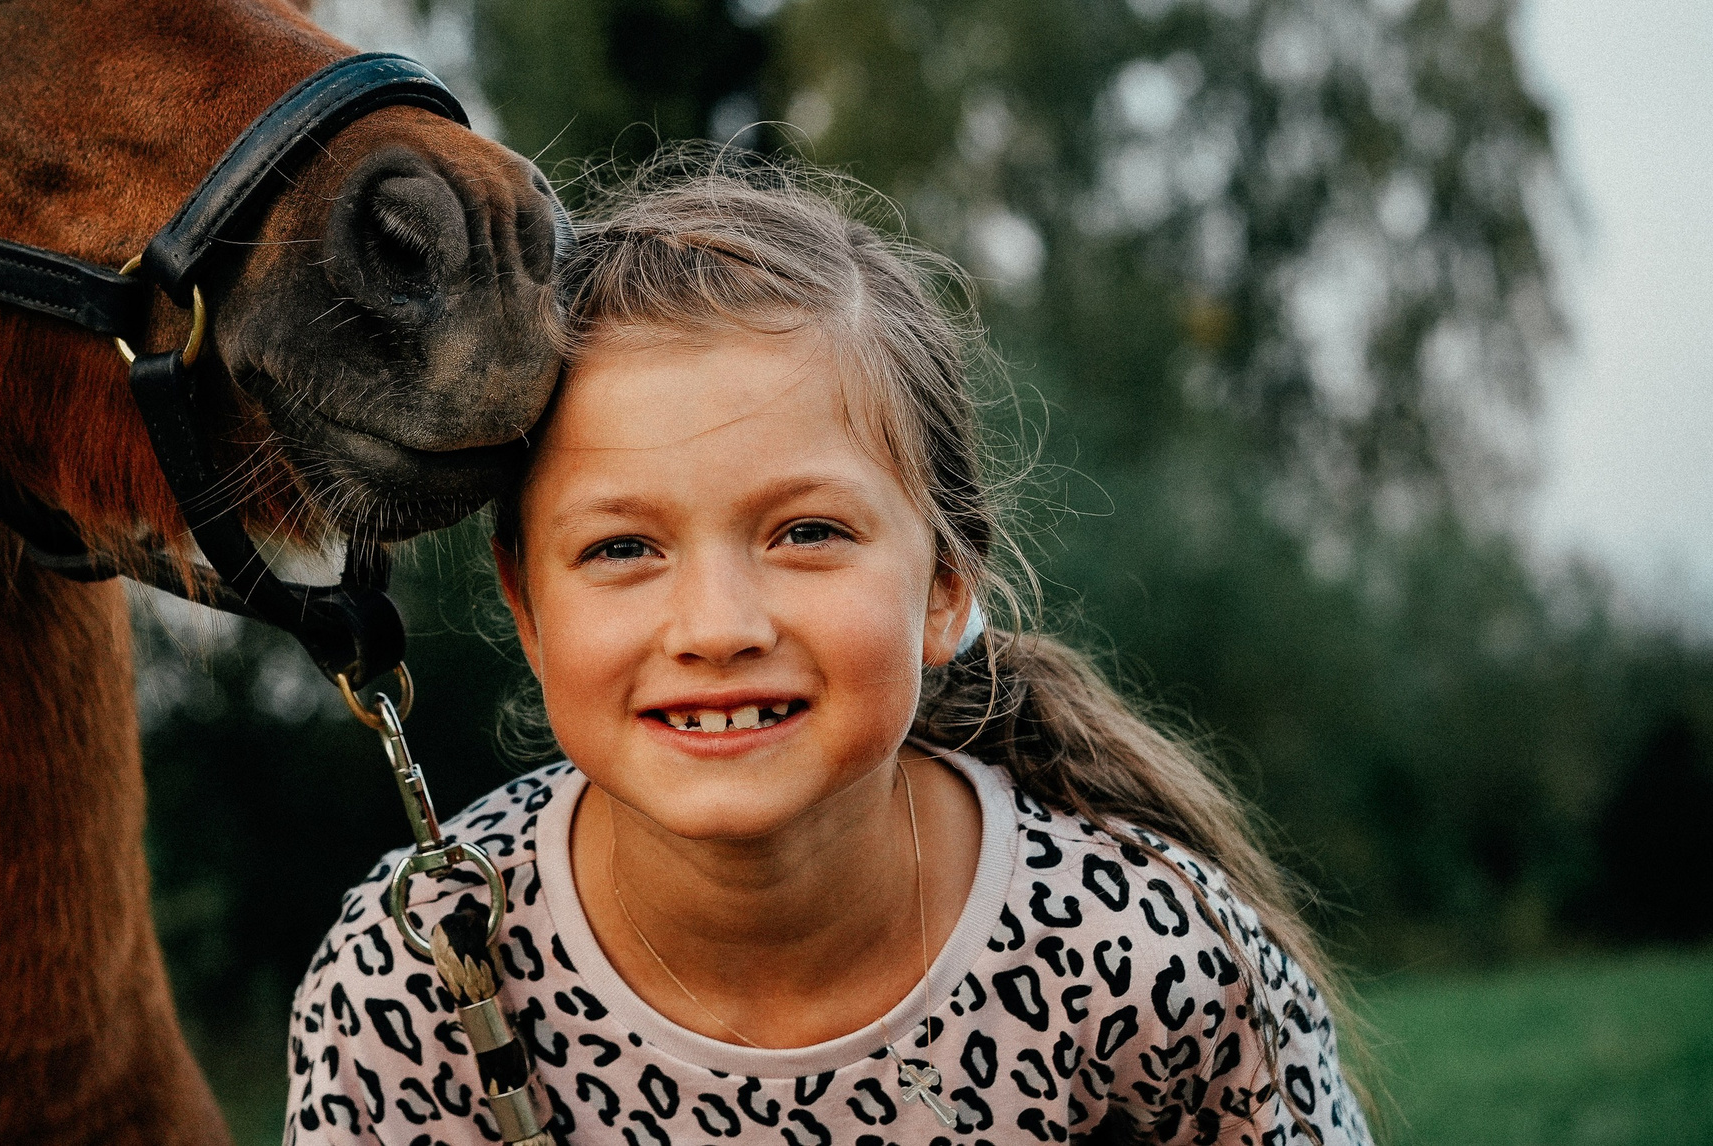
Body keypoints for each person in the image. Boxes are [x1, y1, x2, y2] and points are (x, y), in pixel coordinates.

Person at [286, 158, 1371, 1146]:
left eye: (807, 532)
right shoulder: (412, 982)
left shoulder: (1145, 960)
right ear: (528, 606)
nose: (716, 627)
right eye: (622, 546)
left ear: (946, 586)